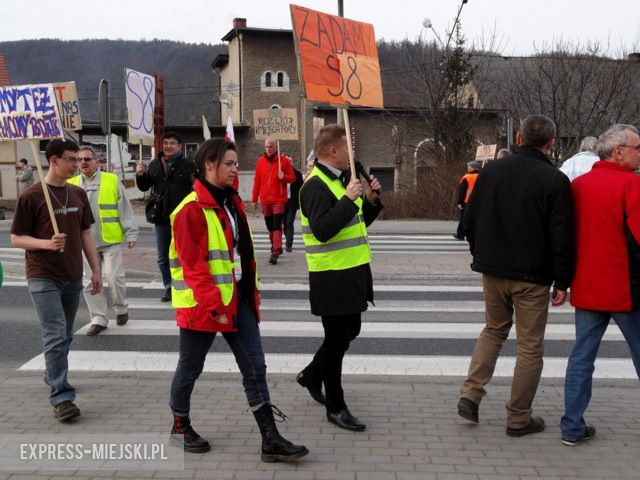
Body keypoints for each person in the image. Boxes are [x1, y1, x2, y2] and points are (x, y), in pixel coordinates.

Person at [168, 138, 308, 462]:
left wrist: (248, 294)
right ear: (208, 165)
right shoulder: (190, 210)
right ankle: (179, 424)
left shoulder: (232, 202)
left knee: (255, 368)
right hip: (203, 307)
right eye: (229, 164)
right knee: (190, 368)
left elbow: (239, 252)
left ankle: (270, 439)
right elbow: (194, 268)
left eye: (235, 163)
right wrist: (215, 307)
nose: (235, 169)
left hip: (238, 302)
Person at [457, 114, 574, 437]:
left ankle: (471, 393)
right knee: (529, 348)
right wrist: (562, 281)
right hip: (532, 276)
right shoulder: (554, 180)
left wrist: (480, 253)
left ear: (519, 139)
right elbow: (561, 236)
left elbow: (469, 220)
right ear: (550, 143)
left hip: (492, 270)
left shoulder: (490, 171)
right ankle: (518, 417)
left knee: (493, 331)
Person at [297, 124, 383, 432]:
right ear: (333, 151)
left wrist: (371, 198)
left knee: (351, 330)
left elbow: (358, 222)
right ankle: (336, 405)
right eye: (349, 148)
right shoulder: (314, 186)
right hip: (331, 276)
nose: (353, 155)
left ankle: (311, 374)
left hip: (353, 271)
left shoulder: (343, 181)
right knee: (336, 340)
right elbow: (322, 230)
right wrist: (348, 199)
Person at [10, 138, 102, 421]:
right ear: (53, 161)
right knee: (54, 332)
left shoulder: (77, 195)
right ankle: (62, 397)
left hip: (72, 275)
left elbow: (86, 233)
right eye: (71, 159)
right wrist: (45, 244)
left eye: (78, 159)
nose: (77, 164)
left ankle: (52, 373)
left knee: (64, 334)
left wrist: (95, 270)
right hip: (42, 275)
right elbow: (16, 238)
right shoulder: (32, 196)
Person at [560, 124, 640, 446]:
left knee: (581, 357)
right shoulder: (631, 185)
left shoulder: (578, 186)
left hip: (589, 287)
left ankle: (572, 426)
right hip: (625, 288)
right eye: (637, 147)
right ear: (619, 152)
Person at [68, 146, 138, 336]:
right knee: (90, 281)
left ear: (96, 161)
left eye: (87, 159)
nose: (83, 163)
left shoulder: (111, 180)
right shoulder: (71, 184)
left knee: (114, 277)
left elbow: (124, 208)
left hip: (110, 239)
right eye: (79, 160)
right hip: (84, 242)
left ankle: (121, 308)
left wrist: (131, 233)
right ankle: (98, 318)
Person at [136, 132, 195, 302]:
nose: (168, 146)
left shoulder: (189, 165)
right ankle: (168, 287)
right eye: (166, 143)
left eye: (172, 143)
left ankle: (186, 285)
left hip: (183, 217)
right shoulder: (155, 164)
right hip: (161, 216)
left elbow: (196, 187)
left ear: (179, 146)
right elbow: (144, 186)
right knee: (163, 257)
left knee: (183, 254)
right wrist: (140, 175)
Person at [251, 138, 295, 265]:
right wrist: (254, 199)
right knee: (270, 226)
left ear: (276, 147)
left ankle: (275, 251)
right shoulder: (260, 162)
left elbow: (292, 178)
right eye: (266, 147)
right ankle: (275, 247)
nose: (268, 149)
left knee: (276, 225)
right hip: (265, 200)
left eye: (271, 147)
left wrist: (284, 177)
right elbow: (257, 181)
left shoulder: (284, 161)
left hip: (279, 199)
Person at [453, 160, 481, 240]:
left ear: (472, 168)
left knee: (464, 219)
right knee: (476, 219)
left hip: (467, 202)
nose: (468, 168)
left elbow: (462, 191)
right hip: (478, 201)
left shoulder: (467, 177)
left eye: (469, 167)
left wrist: (459, 202)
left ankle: (460, 234)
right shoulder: (481, 176)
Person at [283, 166, 303, 252]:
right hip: (282, 201)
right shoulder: (280, 173)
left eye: (290, 161)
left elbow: (301, 189)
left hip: (292, 202)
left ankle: (289, 244)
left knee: (289, 222)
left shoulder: (297, 174)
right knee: (284, 223)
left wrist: (300, 202)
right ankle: (288, 239)